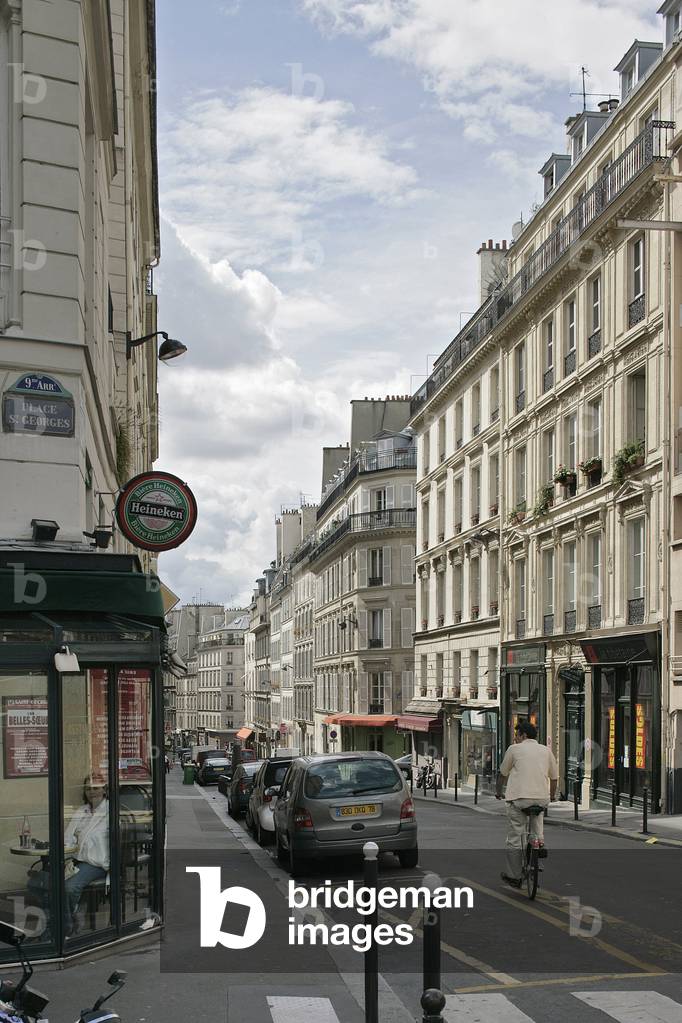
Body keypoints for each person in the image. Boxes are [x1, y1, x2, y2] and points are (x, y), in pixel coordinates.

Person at [28, 774, 109, 937]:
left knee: (69, 888)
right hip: (74, 860)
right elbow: (67, 838)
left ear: (105, 790)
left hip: (96, 863)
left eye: (96, 788)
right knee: (37, 883)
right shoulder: (82, 810)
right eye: (88, 788)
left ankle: (61, 929)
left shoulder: (110, 811)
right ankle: (61, 919)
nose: (92, 792)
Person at [496, 721, 558, 889]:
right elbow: (554, 778)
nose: (515, 738)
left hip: (519, 799)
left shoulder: (514, 749)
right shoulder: (546, 750)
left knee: (515, 837)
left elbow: (502, 774)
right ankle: (539, 844)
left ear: (523, 735)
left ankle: (514, 876)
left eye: (517, 735)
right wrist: (551, 796)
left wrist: (498, 791)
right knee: (537, 819)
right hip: (541, 799)